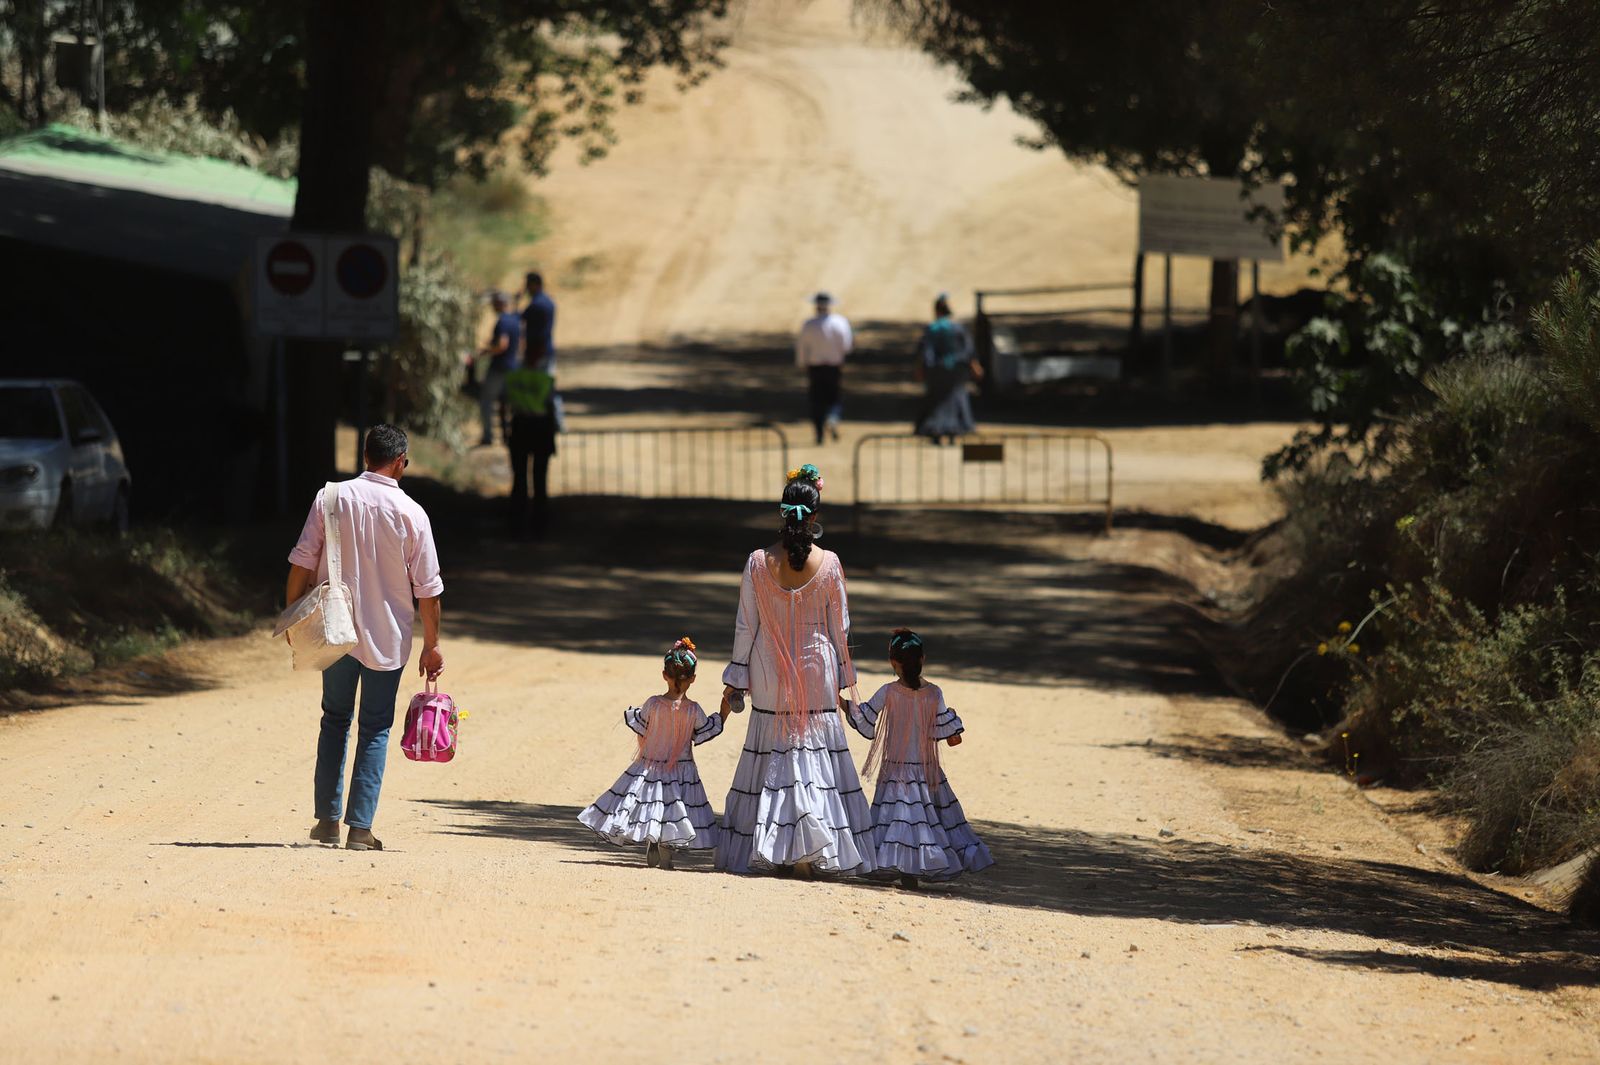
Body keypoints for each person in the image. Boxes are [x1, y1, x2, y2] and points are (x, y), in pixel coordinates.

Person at [285, 424, 444, 852]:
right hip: (387, 639)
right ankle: (360, 828)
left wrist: (292, 620)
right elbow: (428, 591)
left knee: (334, 720)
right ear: (399, 462)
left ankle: (327, 821)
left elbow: (302, 562)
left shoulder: (330, 498)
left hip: (334, 632)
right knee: (374, 728)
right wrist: (431, 645)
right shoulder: (412, 513)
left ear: (365, 457)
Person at [716, 463, 876, 877]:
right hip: (816, 670)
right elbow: (839, 629)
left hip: (769, 669)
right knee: (814, 758)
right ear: (816, 515)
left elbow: (745, 626)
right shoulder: (830, 563)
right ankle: (813, 845)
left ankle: (775, 846)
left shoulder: (756, 563)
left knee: (772, 755)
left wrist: (736, 681)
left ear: (781, 512)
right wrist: (846, 682)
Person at [843, 628, 994, 889]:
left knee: (898, 819)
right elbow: (952, 738)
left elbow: (865, 719)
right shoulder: (934, 693)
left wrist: (840, 701)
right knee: (928, 820)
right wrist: (952, 724)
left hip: (895, 771)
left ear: (893, 663)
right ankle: (919, 868)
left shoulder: (888, 691)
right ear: (923, 659)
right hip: (927, 771)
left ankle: (904, 867)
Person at [578, 637, 731, 868]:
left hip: (651, 765)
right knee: (675, 808)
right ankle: (666, 854)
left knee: (652, 804)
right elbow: (707, 730)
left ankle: (652, 840)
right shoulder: (694, 710)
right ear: (693, 679)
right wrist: (724, 709)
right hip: (682, 769)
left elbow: (642, 728)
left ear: (664, 675)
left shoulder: (653, 704)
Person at [915, 293, 983, 444]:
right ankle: (953, 431)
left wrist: (921, 370)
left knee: (936, 401)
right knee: (955, 399)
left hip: (936, 371)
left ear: (936, 310)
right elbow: (969, 350)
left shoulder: (932, 329)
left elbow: (925, 352)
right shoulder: (958, 328)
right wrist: (974, 366)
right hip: (957, 371)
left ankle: (936, 432)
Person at [503, 361, 557, 539]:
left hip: (520, 429)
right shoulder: (546, 379)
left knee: (520, 480)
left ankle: (518, 526)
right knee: (538, 481)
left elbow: (504, 405)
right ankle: (538, 526)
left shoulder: (513, 378)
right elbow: (551, 409)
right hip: (539, 430)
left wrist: (505, 430)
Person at [795, 291, 853, 445]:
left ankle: (819, 434)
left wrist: (802, 363)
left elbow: (801, 347)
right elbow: (846, 346)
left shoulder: (809, 325)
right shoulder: (840, 323)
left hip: (815, 368)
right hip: (834, 367)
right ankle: (833, 418)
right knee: (833, 398)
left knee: (816, 401)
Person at [473, 292, 521, 446]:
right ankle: (511, 436)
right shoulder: (515, 320)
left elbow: (502, 345)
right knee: (509, 404)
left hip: (499, 368)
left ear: (500, 303)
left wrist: (485, 351)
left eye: (494, 303)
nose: (493, 307)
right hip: (513, 367)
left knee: (486, 401)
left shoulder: (503, 322)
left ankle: (488, 436)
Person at [521, 271, 558, 372]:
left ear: (535, 285)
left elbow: (519, 318)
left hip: (537, 352)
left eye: (528, 285)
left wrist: (516, 300)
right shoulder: (547, 301)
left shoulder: (537, 304)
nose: (526, 288)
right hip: (545, 350)